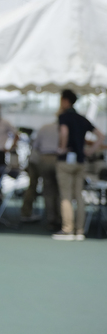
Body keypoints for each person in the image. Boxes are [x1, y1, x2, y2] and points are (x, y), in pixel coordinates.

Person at [54, 89, 104, 240]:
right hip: (80, 161)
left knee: (66, 196)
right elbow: (101, 136)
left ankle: (68, 229)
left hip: (66, 161)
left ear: (65, 100)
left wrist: (62, 148)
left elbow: (64, 132)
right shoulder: (82, 118)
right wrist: (89, 151)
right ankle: (80, 230)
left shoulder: (64, 117)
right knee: (79, 195)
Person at [21, 121, 60, 228]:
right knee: (53, 189)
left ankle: (28, 212)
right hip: (46, 160)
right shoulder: (63, 129)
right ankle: (55, 218)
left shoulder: (45, 127)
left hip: (36, 159)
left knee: (37, 187)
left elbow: (35, 145)